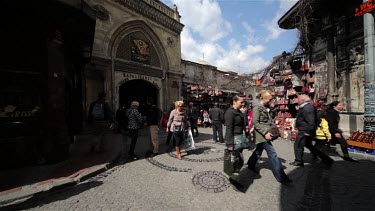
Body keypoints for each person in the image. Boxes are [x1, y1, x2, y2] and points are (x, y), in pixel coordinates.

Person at [247, 90, 291, 184]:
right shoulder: (257, 108)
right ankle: (281, 177)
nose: (270, 101)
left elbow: (267, 121)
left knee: (258, 150)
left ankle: (250, 164)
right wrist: (265, 132)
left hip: (266, 133)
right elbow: (255, 122)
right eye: (269, 99)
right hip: (262, 135)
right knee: (272, 154)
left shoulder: (263, 107)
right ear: (264, 98)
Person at [289, 94, 334, 167]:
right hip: (306, 130)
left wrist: (308, 131)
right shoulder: (305, 107)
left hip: (305, 130)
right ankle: (326, 159)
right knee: (308, 145)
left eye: (299, 99)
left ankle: (298, 161)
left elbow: (311, 121)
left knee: (298, 145)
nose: (297, 100)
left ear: (302, 100)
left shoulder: (307, 108)